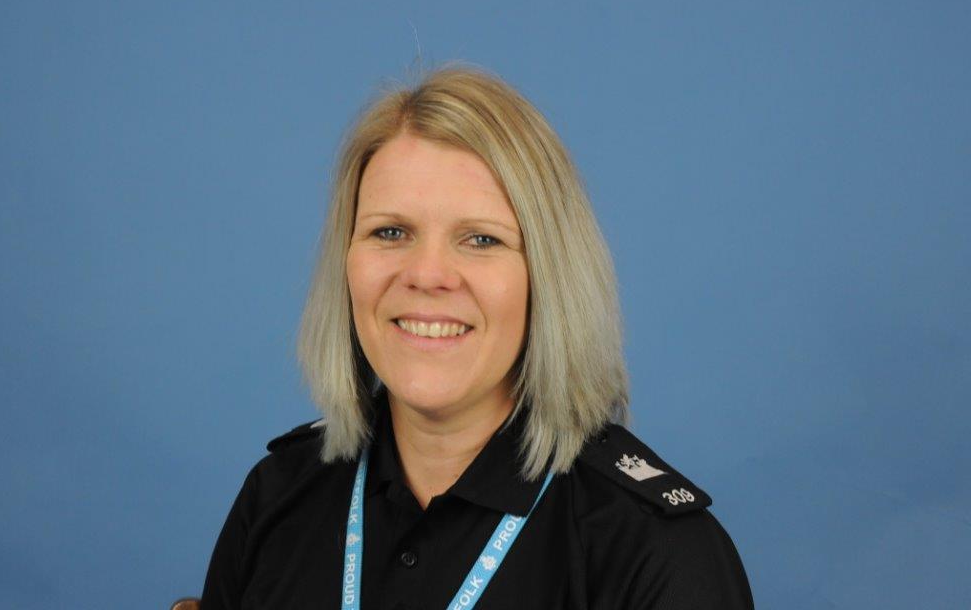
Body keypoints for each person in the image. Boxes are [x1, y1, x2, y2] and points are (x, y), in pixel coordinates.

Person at [200, 66, 753, 609]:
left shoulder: (661, 556)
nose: (426, 274)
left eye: (481, 239)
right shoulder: (276, 497)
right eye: (390, 231)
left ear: (549, 277)